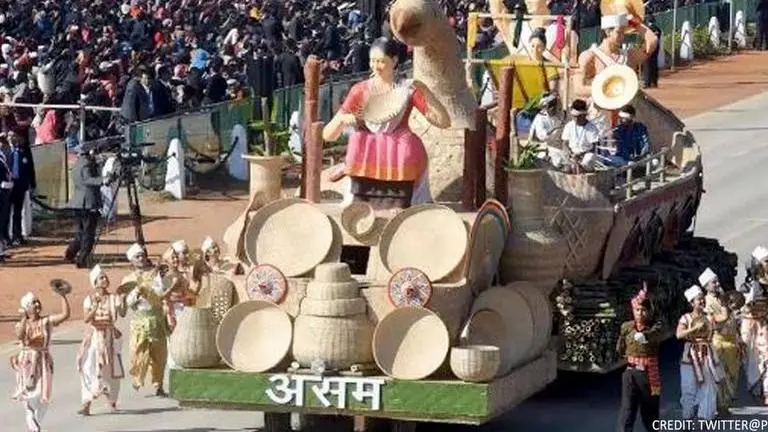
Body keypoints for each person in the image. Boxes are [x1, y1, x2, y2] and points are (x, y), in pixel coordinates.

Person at [322, 37, 450, 209]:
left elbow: (443, 122)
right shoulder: (360, 90)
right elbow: (328, 135)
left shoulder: (406, 89)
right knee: (358, 140)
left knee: (408, 146)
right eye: (372, 61)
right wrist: (342, 120)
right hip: (368, 148)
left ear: (395, 61)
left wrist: (425, 91)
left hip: (400, 146)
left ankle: (403, 199)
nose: (376, 66)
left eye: (381, 61)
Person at [574, 13, 659, 133]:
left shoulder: (628, 56)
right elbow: (578, 88)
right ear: (608, 32)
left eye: (624, 32)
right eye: (619, 32)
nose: (623, 36)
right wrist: (605, 92)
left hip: (624, 116)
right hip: (599, 117)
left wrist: (635, 24)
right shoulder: (590, 56)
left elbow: (653, 41)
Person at [10, 289, 71, 432]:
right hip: (27, 362)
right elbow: (19, 335)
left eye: (37, 302)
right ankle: (34, 425)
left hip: (43, 361)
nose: (37, 304)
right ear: (26, 308)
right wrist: (24, 318)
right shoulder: (21, 324)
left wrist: (63, 296)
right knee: (29, 394)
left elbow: (65, 315)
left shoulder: (46, 321)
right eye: (33, 303)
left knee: (43, 395)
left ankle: (33, 423)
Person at [77, 265, 127, 416]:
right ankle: (87, 402)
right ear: (95, 283)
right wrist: (95, 306)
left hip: (110, 337)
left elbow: (122, 313)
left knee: (112, 371)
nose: (105, 279)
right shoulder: (89, 299)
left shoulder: (113, 298)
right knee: (89, 367)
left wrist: (123, 301)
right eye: (101, 278)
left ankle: (112, 401)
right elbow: (86, 318)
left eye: (105, 277)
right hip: (95, 337)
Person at [125, 243, 171, 397]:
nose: (141, 259)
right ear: (131, 260)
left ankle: (158, 384)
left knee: (159, 354)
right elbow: (128, 301)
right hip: (139, 320)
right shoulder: (128, 279)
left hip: (155, 317)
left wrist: (150, 291)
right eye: (137, 257)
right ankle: (138, 377)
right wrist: (137, 293)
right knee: (137, 351)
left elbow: (160, 291)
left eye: (142, 256)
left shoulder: (153, 274)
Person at [616, 285, 663, 432]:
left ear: (649, 312)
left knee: (650, 412)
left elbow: (656, 333)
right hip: (630, 372)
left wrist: (645, 336)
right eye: (637, 310)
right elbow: (620, 348)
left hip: (648, 374)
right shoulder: (627, 327)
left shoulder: (655, 326)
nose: (640, 313)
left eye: (644, 310)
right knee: (627, 410)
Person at [677, 284, 722, 421]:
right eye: (698, 299)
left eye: (702, 299)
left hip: (707, 355)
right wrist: (694, 329)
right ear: (691, 303)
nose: (702, 301)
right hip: (690, 356)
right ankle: (687, 417)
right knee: (688, 388)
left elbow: (715, 331)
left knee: (708, 387)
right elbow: (679, 335)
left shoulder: (709, 317)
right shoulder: (686, 318)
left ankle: (705, 417)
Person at [65, 144, 113, 268]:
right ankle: (83, 259)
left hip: (79, 202)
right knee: (88, 234)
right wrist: (103, 180)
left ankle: (71, 253)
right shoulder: (86, 164)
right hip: (87, 203)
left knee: (81, 232)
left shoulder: (77, 164)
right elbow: (88, 179)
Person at [6, 131, 35, 245]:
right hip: (7, 187)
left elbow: (30, 168)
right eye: (9, 136)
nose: (11, 138)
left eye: (13, 135)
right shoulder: (5, 150)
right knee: (6, 212)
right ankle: (6, 237)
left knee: (18, 212)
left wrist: (32, 184)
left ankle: (17, 235)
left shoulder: (24, 151)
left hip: (20, 185)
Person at [561, 99, 601, 172]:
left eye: (578, 116)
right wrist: (570, 154)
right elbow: (565, 143)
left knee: (587, 161)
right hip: (571, 155)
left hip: (586, 155)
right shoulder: (568, 126)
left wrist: (580, 155)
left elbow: (594, 147)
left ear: (584, 115)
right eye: (574, 116)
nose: (575, 119)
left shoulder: (592, 128)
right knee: (565, 165)